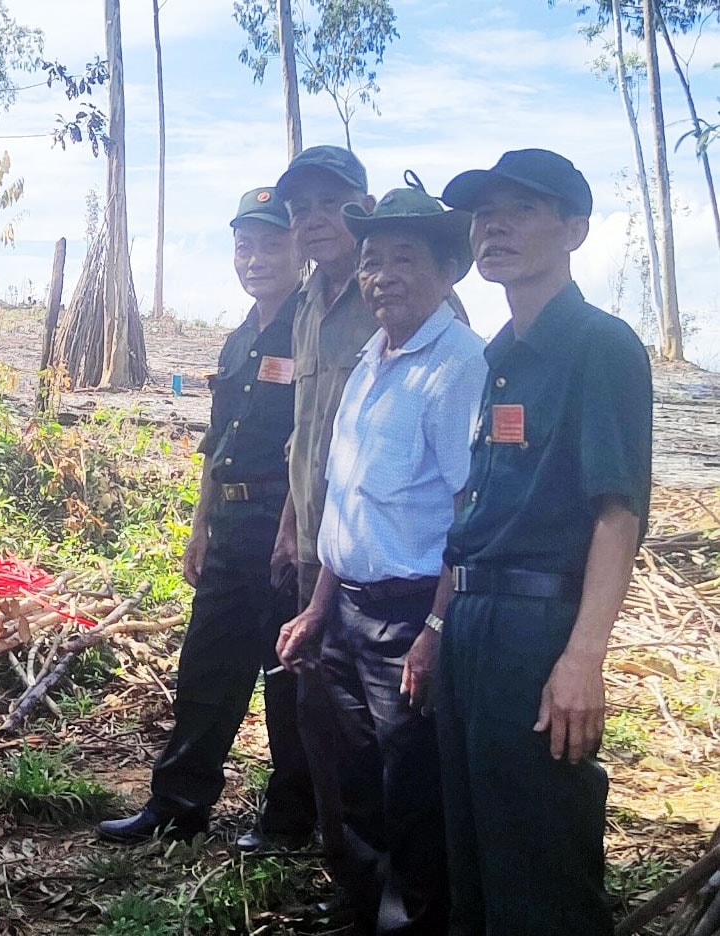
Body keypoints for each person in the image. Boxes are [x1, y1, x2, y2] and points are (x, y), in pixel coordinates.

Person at [436, 150, 652, 935]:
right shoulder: (495, 357)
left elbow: (617, 512)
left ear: (575, 230)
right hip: (471, 621)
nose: (492, 226)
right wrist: (438, 629)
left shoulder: (600, 346)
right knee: (474, 844)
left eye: (520, 209)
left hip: (537, 629)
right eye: (484, 211)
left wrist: (582, 656)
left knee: (539, 855)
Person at [277, 183, 487, 935]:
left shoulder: (458, 365)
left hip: (409, 616)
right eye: (371, 261)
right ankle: (364, 912)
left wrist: (435, 627)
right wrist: (318, 605)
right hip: (348, 609)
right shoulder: (370, 361)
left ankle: (417, 921)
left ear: (447, 271)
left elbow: (469, 514)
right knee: (355, 777)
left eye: (404, 259)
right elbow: (346, 499)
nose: (381, 275)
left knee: (412, 790)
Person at [97, 187, 316, 850]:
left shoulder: (316, 329)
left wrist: (303, 526)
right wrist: (200, 525)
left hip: (287, 527)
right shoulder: (240, 338)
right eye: (244, 245)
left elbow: (321, 440)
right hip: (231, 525)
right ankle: (178, 805)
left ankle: (289, 820)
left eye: (271, 243)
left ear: (298, 250)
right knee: (205, 672)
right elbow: (216, 445)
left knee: (286, 679)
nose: (255, 258)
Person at [272, 144, 380, 874]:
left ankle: (388, 884)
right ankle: (339, 869)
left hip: (371, 554)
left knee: (371, 727)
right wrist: (288, 522)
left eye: (329, 202)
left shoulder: (395, 290)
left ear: (363, 208)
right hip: (313, 545)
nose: (313, 219)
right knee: (319, 716)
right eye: (300, 207)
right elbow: (306, 429)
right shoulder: (307, 304)